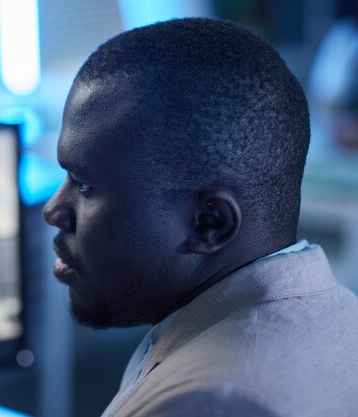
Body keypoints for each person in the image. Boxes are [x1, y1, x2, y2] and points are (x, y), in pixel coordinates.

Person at [43, 18, 358, 417]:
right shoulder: (341, 315)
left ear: (209, 222)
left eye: (83, 184)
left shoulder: (204, 403)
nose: (53, 210)